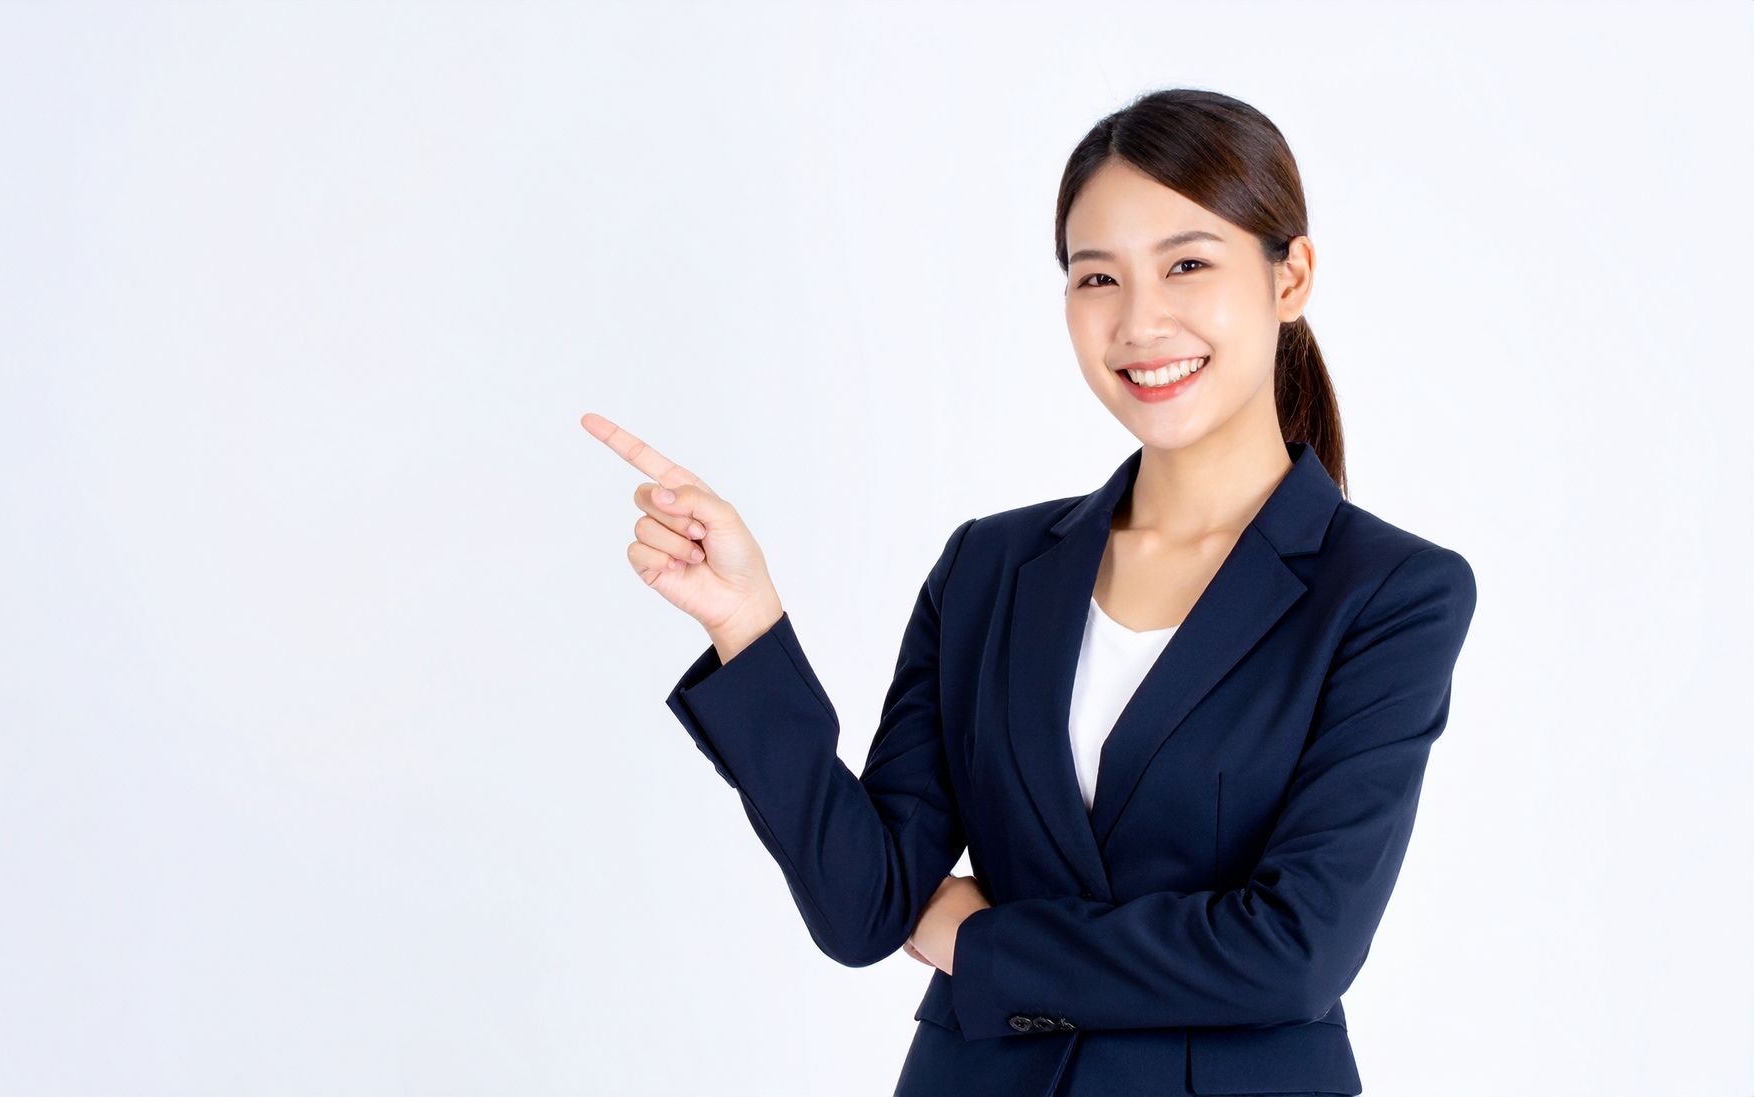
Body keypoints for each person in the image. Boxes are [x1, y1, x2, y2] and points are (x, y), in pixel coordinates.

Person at [581, 87, 1477, 1097]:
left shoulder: (1391, 592)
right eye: (1097, 276)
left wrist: (986, 942)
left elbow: (1292, 951)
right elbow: (870, 904)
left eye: (1187, 263)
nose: (1140, 321)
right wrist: (747, 625)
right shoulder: (991, 569)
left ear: (1290, 275)